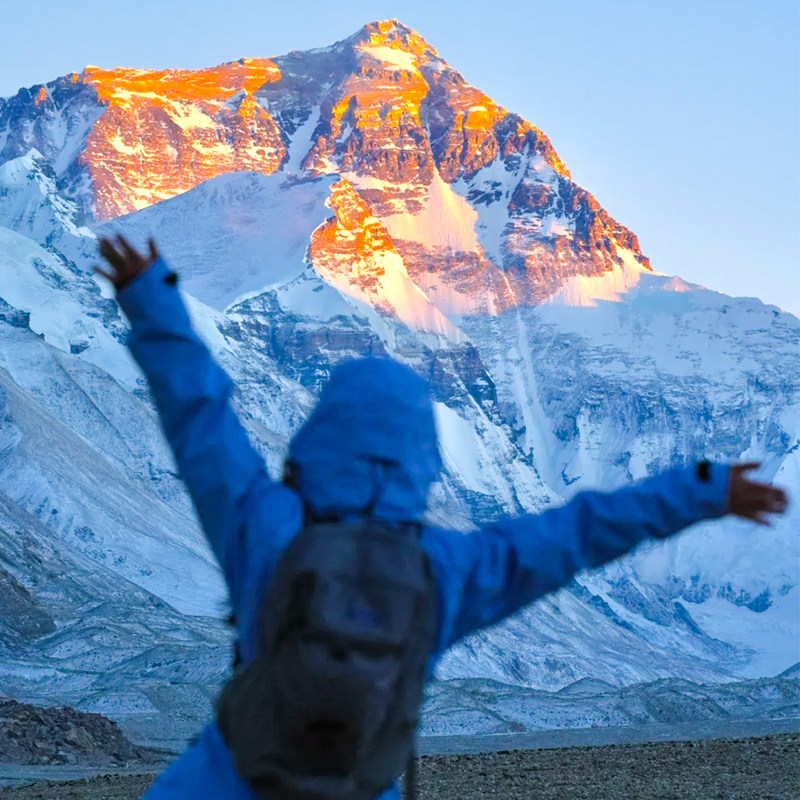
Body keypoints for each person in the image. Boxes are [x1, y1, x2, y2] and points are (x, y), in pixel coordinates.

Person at [97, 235, 788, 800]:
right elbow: (578, 533)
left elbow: (201, 419)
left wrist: (152, 302)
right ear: (423, 460)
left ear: (317, 437)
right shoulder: (443, 570)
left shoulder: (263, 528)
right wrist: (703, 492)